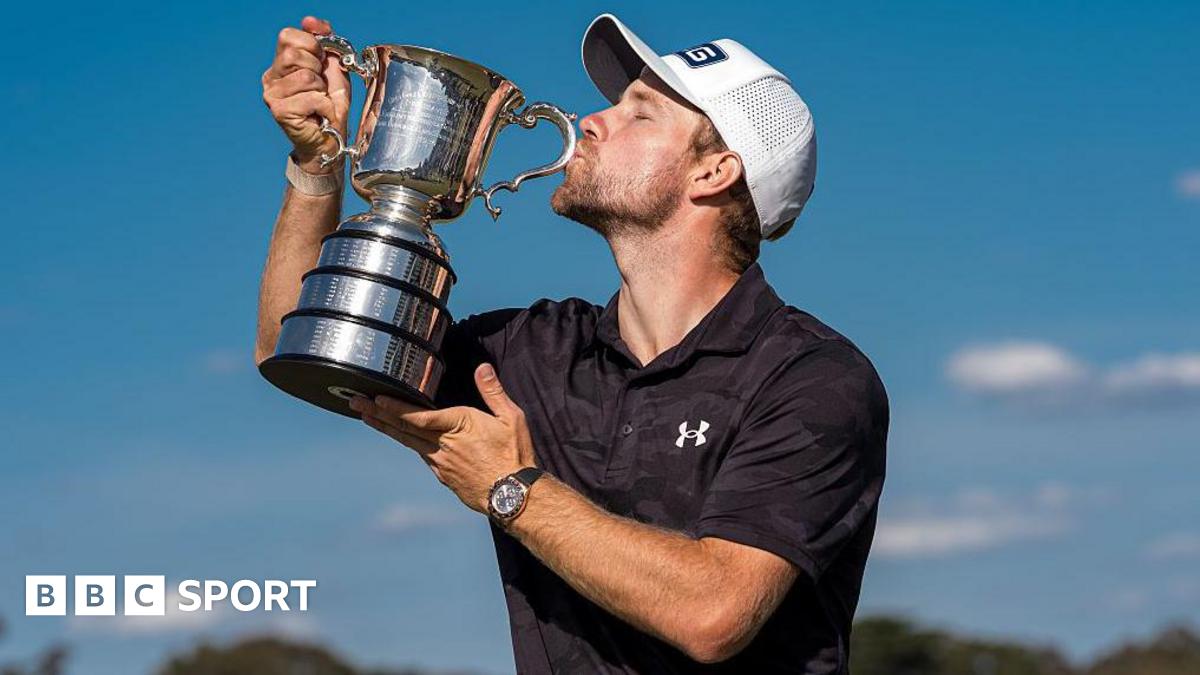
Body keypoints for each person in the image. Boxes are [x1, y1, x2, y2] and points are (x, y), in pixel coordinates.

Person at [257, 12, 888, 674]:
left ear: (714, 173)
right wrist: (316, 160)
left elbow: (714, 612)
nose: (592, 120)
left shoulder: (813, 376)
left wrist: (511, 486)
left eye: (639, 114)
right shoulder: (531, 351)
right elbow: (292, 339)